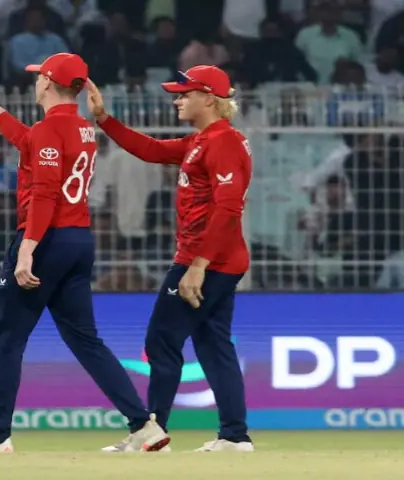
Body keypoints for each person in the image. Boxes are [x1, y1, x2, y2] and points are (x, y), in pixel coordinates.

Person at [0, 54, 169, 454]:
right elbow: (27, 143)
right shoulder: (81, 128)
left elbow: (46, 191)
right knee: (87, 341)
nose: (35, 82)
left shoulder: (49, 129)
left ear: (48, 84)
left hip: (46, 239)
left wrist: (27, 251)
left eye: (38, 77)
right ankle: (144, 427)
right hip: (77, 240)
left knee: (7, 338)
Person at [87, 65, 254, 452]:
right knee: (213, 345)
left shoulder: (222, 142)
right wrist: (104, 120)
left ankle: (152, 431)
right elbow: (151, 150)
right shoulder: (205, 140)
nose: (177, 100)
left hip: (206, 260)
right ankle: (234, 435)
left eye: (184, 94)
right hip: (216, 259)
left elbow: (228, 209)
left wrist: (197, 266)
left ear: (208, 98)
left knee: (161, 340)